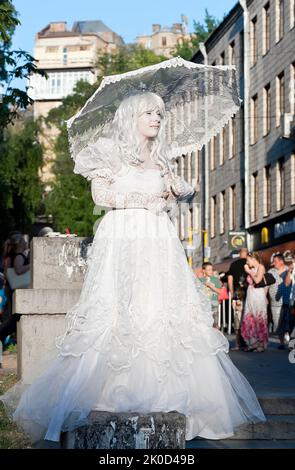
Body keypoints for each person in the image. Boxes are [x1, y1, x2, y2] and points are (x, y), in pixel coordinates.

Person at [0, 92, 265, 444]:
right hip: (122, 236)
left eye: (159, 113)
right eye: (149, 113)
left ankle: (168, 392)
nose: (156, 118)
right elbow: (100, 195)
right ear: (131, 117)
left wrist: (177, 190)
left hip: (157, 241)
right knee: (117, 307)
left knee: (156, 305)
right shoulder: (108, 152)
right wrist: (139, 201)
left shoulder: (162, 160)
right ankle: (106, 389)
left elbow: (169, 199)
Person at [241, 252, 269, 352]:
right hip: (250, 295)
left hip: (258, 295)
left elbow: (257, 280)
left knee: (259, 319)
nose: (247, 262)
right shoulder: (250, 269)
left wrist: (249, 271)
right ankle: (252, 342)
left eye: (248, 260)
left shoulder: (260, 267)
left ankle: (261, 344)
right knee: (249, 319)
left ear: (253, 259)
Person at [227, 248, 248, 349]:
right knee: (247, 318)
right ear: (247, 254)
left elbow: (230, 280)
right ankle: (247, 342)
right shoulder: (249, 264)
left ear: (239, 254)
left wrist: (232, 293)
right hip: (248, 295)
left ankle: (238, 343)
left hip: (237, 295)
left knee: (237, 318)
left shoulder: (233, 264)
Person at [267, 253, 288, 340]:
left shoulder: (288, 270)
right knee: (277, 323)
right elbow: (266, 286)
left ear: (281, 261)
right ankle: (282, 342)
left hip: (286, 302)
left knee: (287, 321)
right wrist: (265, 297)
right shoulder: (271, 272)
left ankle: (288, 337)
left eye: (275, 261)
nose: (273, 263)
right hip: (275, 303)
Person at [199, 262, 223, 329]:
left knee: (215, 324)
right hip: (203, 305)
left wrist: (210, 286)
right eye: (209, 269)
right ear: (204, 270)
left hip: (214, 303)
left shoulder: (215, 279)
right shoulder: (200, 280)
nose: (211, 271)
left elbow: (220, 291)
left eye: (211, 269)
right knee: (205, 324)